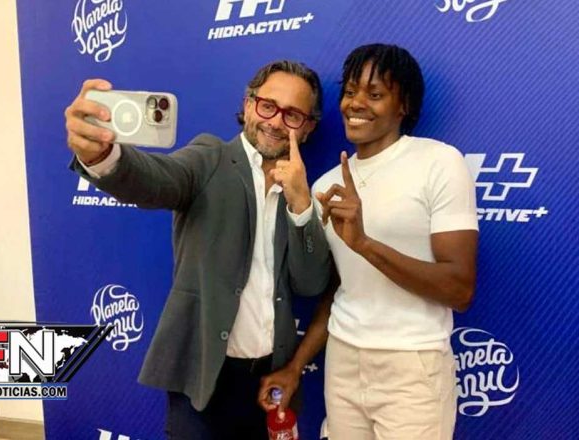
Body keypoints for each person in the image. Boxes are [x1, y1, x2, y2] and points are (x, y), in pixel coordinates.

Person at [64, 60, 331, 439]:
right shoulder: (210, 157)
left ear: (307, 127)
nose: (275, 121)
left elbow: (310, 284)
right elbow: (155, 180)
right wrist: (102, 156)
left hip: (271, 384)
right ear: (249, 104)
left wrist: (301, 204)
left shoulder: (303, 192)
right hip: (203, 379)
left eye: (292, 115)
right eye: (267, 106)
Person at [259, 44, 479, 439]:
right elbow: (341, 290)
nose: (356, 104)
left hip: (411, 365)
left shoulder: (439, 162)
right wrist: (295, 367)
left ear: (403, 105)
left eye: (374, 94)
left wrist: (364, 244)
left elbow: (459, 289)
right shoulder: (327, 185)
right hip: (342, 361)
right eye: (350, 92)